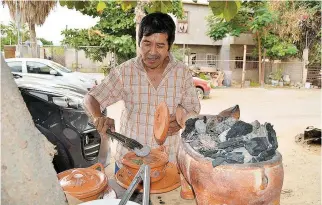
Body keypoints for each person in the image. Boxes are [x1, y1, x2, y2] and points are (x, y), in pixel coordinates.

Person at [83, 12, 201, 174]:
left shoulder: (182, 72)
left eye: (160, 46)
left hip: (168, 161)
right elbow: (91, 98)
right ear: (139, 42)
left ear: (169, 47)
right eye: (146, 43)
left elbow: (193, 109)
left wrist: (182, 119)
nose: (152, 52)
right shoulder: (125, 71)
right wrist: (98, 117)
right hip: (129, 161)